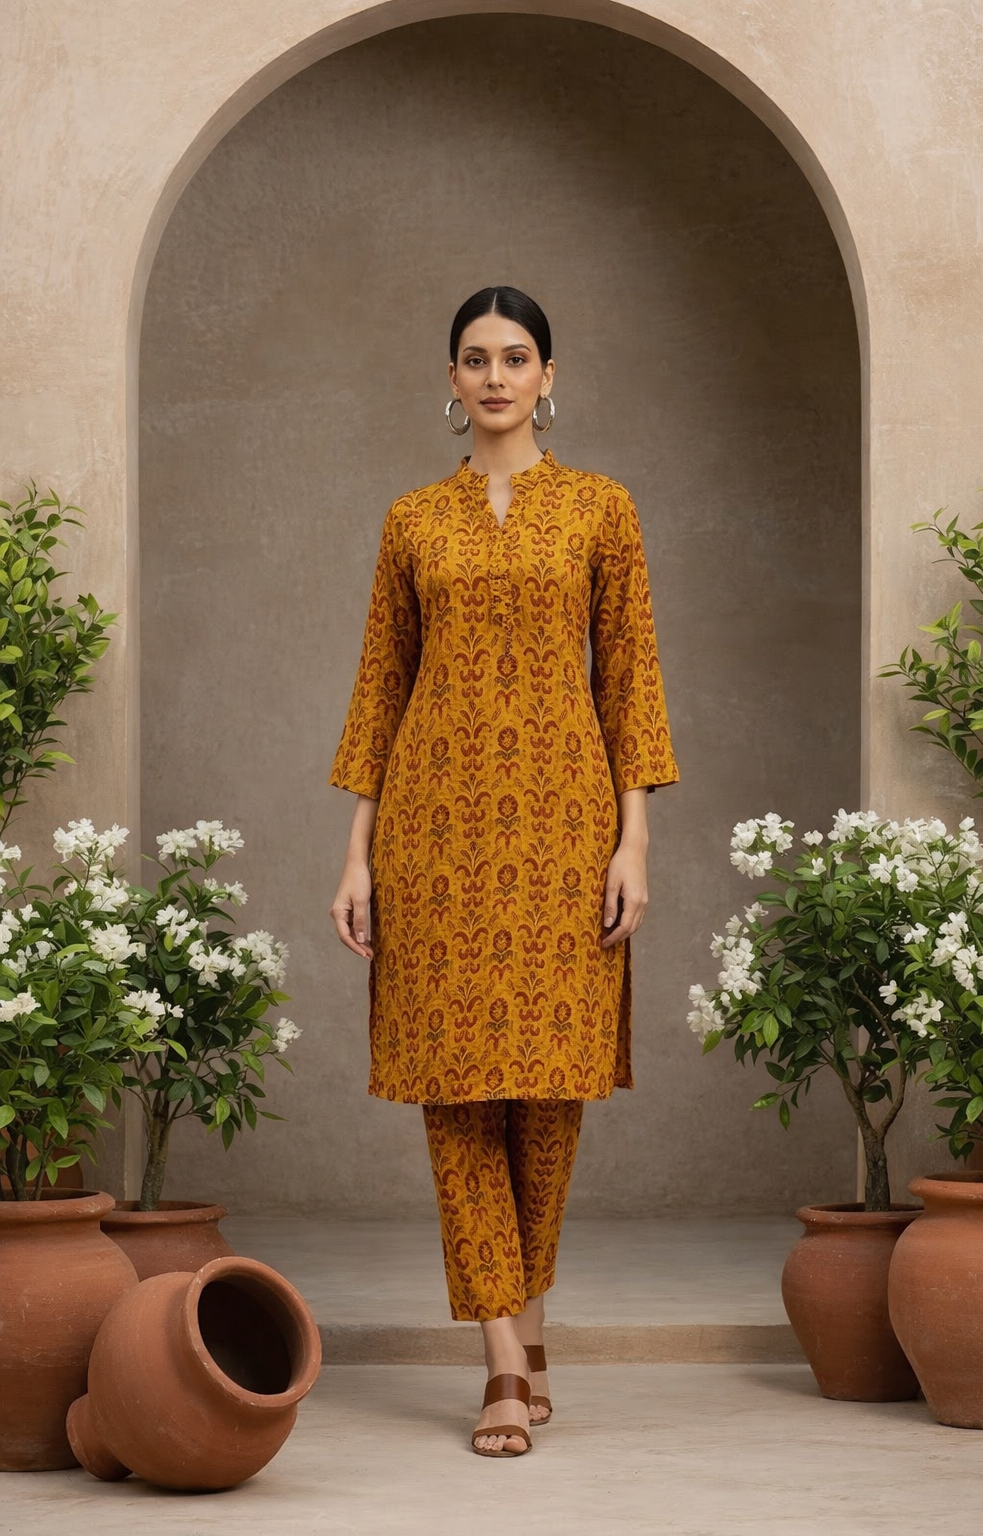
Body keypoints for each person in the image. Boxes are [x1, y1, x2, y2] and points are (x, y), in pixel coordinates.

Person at [329, 286, 678, 1457]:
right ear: (450, 378)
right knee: (457, 1092)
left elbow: (629, 676)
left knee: (547, 1092)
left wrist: (634, 839)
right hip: (432, 833)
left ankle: (527, 1320)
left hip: (563, 830)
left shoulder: (599, 510)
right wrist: (357, 856)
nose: (492, 377)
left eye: (513, 357)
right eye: (473, 359)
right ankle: (499, 1364)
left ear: (547, 375)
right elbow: (381, 688)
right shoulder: (410, 520)